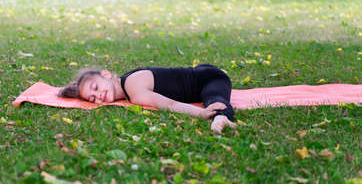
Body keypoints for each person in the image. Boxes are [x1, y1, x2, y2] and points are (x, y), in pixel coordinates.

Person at [59, 64, 236, 133]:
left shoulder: (133, 88)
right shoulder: (126, 87)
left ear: (105, 74)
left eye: (95, 87)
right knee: (211, 98)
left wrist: (201, 113)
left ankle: (220, 117)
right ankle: (219, 116)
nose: (98, 96)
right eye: (92, 99)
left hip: (209, 77)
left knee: (214, 99)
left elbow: (169, 104)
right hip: (199, 73)